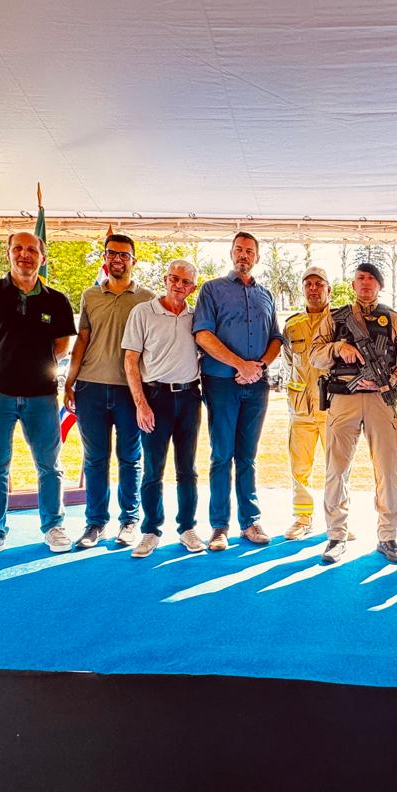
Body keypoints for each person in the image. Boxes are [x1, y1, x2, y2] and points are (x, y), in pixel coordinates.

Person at [0, 230, 76, 563]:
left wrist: (30, 369)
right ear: (8, 253)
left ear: (42, 257)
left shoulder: (57, 301)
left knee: (49, 466)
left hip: (41, 397)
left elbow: (61, 347)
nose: (25, 254)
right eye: (18, 249)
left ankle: (53, 526)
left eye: (32, 250)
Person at [311, 263, 397, 564]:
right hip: (343, 398)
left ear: (380, 285)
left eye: (372, 278)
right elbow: (314, 355)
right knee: (336, 470)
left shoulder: (394, 320)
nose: (366, 283)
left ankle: (388, 536)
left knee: (387, 470)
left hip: (379, 399)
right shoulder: (335, 318)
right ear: (353, 284)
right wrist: (338, 348)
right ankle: (336, 535)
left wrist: (393, 379)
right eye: (360, 278)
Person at [192, 231, 282, 551]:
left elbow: (276, 339)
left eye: (249, 251)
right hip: (220, 383)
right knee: (221, 455)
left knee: (247, 456)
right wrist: (240, 365)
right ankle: (219, 527)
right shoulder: (212, 289)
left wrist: (258, 367)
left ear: (257, 257)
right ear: (231, 254)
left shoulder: (266, 295)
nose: (244, 255)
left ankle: (250, 522)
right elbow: (203, 335)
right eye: (239, 250)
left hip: (257, 385)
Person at [63, 233, 153, 549]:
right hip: (90, 388)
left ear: (133, 260)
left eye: (124, 254)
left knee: (130, 458)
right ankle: (96, 523)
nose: (118, 259)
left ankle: (129, 521)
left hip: (130, 390)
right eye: (112, 253)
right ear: (105, 257)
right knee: (95, 460)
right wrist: (69, 381)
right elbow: (82, 340)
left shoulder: (147, 298)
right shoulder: (90, 295)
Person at [122, 259, 206, 558]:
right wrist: (141, 404)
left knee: (188, 470)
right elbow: (130, 360)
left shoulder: (196, 317)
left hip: (189, 398)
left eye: (185, 282)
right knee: (153, 470)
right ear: (165, 279)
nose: (178, 285)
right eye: (174, 278)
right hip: (155, 398)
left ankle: (187, 528)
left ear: (192, 288)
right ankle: (150, 530)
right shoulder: (143, 312)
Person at [281, 265, 332, 540]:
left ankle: (338, 521)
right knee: (300, 467)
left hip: (332, 407)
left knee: (337, 468)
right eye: (308, 284)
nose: (313, 289)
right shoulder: (292, 325)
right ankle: (302, 519)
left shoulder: (339, 322)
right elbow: (289, 363)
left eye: (318, 284)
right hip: (300, 409)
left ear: (328, 289)